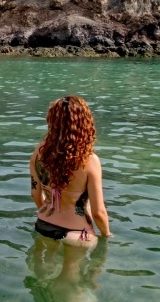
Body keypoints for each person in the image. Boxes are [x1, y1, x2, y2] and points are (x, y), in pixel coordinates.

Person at [30, 96, 112, 246]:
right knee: (72, 270)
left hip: (43, 225)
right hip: (77, 233)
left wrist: (49, 214)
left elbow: (35, 193)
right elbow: (98, 213)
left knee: (41, 268)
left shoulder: (39, 152)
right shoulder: (90, 160)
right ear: (84, 124)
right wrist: (106, 235)